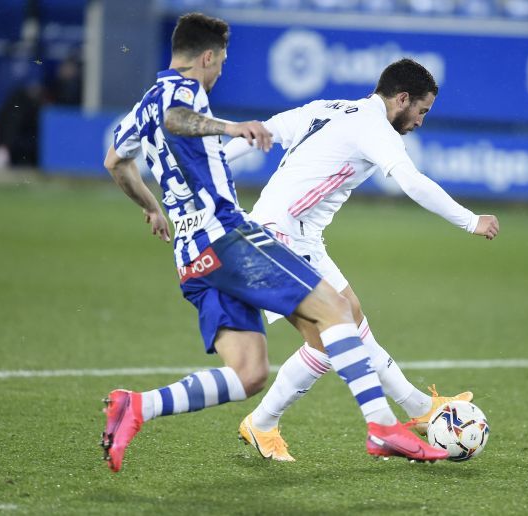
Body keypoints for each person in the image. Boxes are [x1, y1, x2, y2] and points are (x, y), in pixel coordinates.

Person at [100, 13, 448, 473]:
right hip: (227, 237)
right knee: (338, 312)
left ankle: (137, 406)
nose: (220, 70)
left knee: (250, 373)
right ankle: (383, 425)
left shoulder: (143, 104)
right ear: (206, 56)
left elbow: (116, 162)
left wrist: (149, 205)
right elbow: (177, 118)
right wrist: (228, 127)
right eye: (220, 61)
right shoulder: (180, 93)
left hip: (190, 255)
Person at [224, 58, 500, 461]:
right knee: (328, 340)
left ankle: (417, 407)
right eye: (421, 110)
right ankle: (263, 423)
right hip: (280, 236)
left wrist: (214, 167)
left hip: (301, 237)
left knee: (350, 323)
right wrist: (470, 220)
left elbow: (260, 134)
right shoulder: (374, 128)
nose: (421, 121)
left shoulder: (327, 108)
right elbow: (412, 181)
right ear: (402, 99)